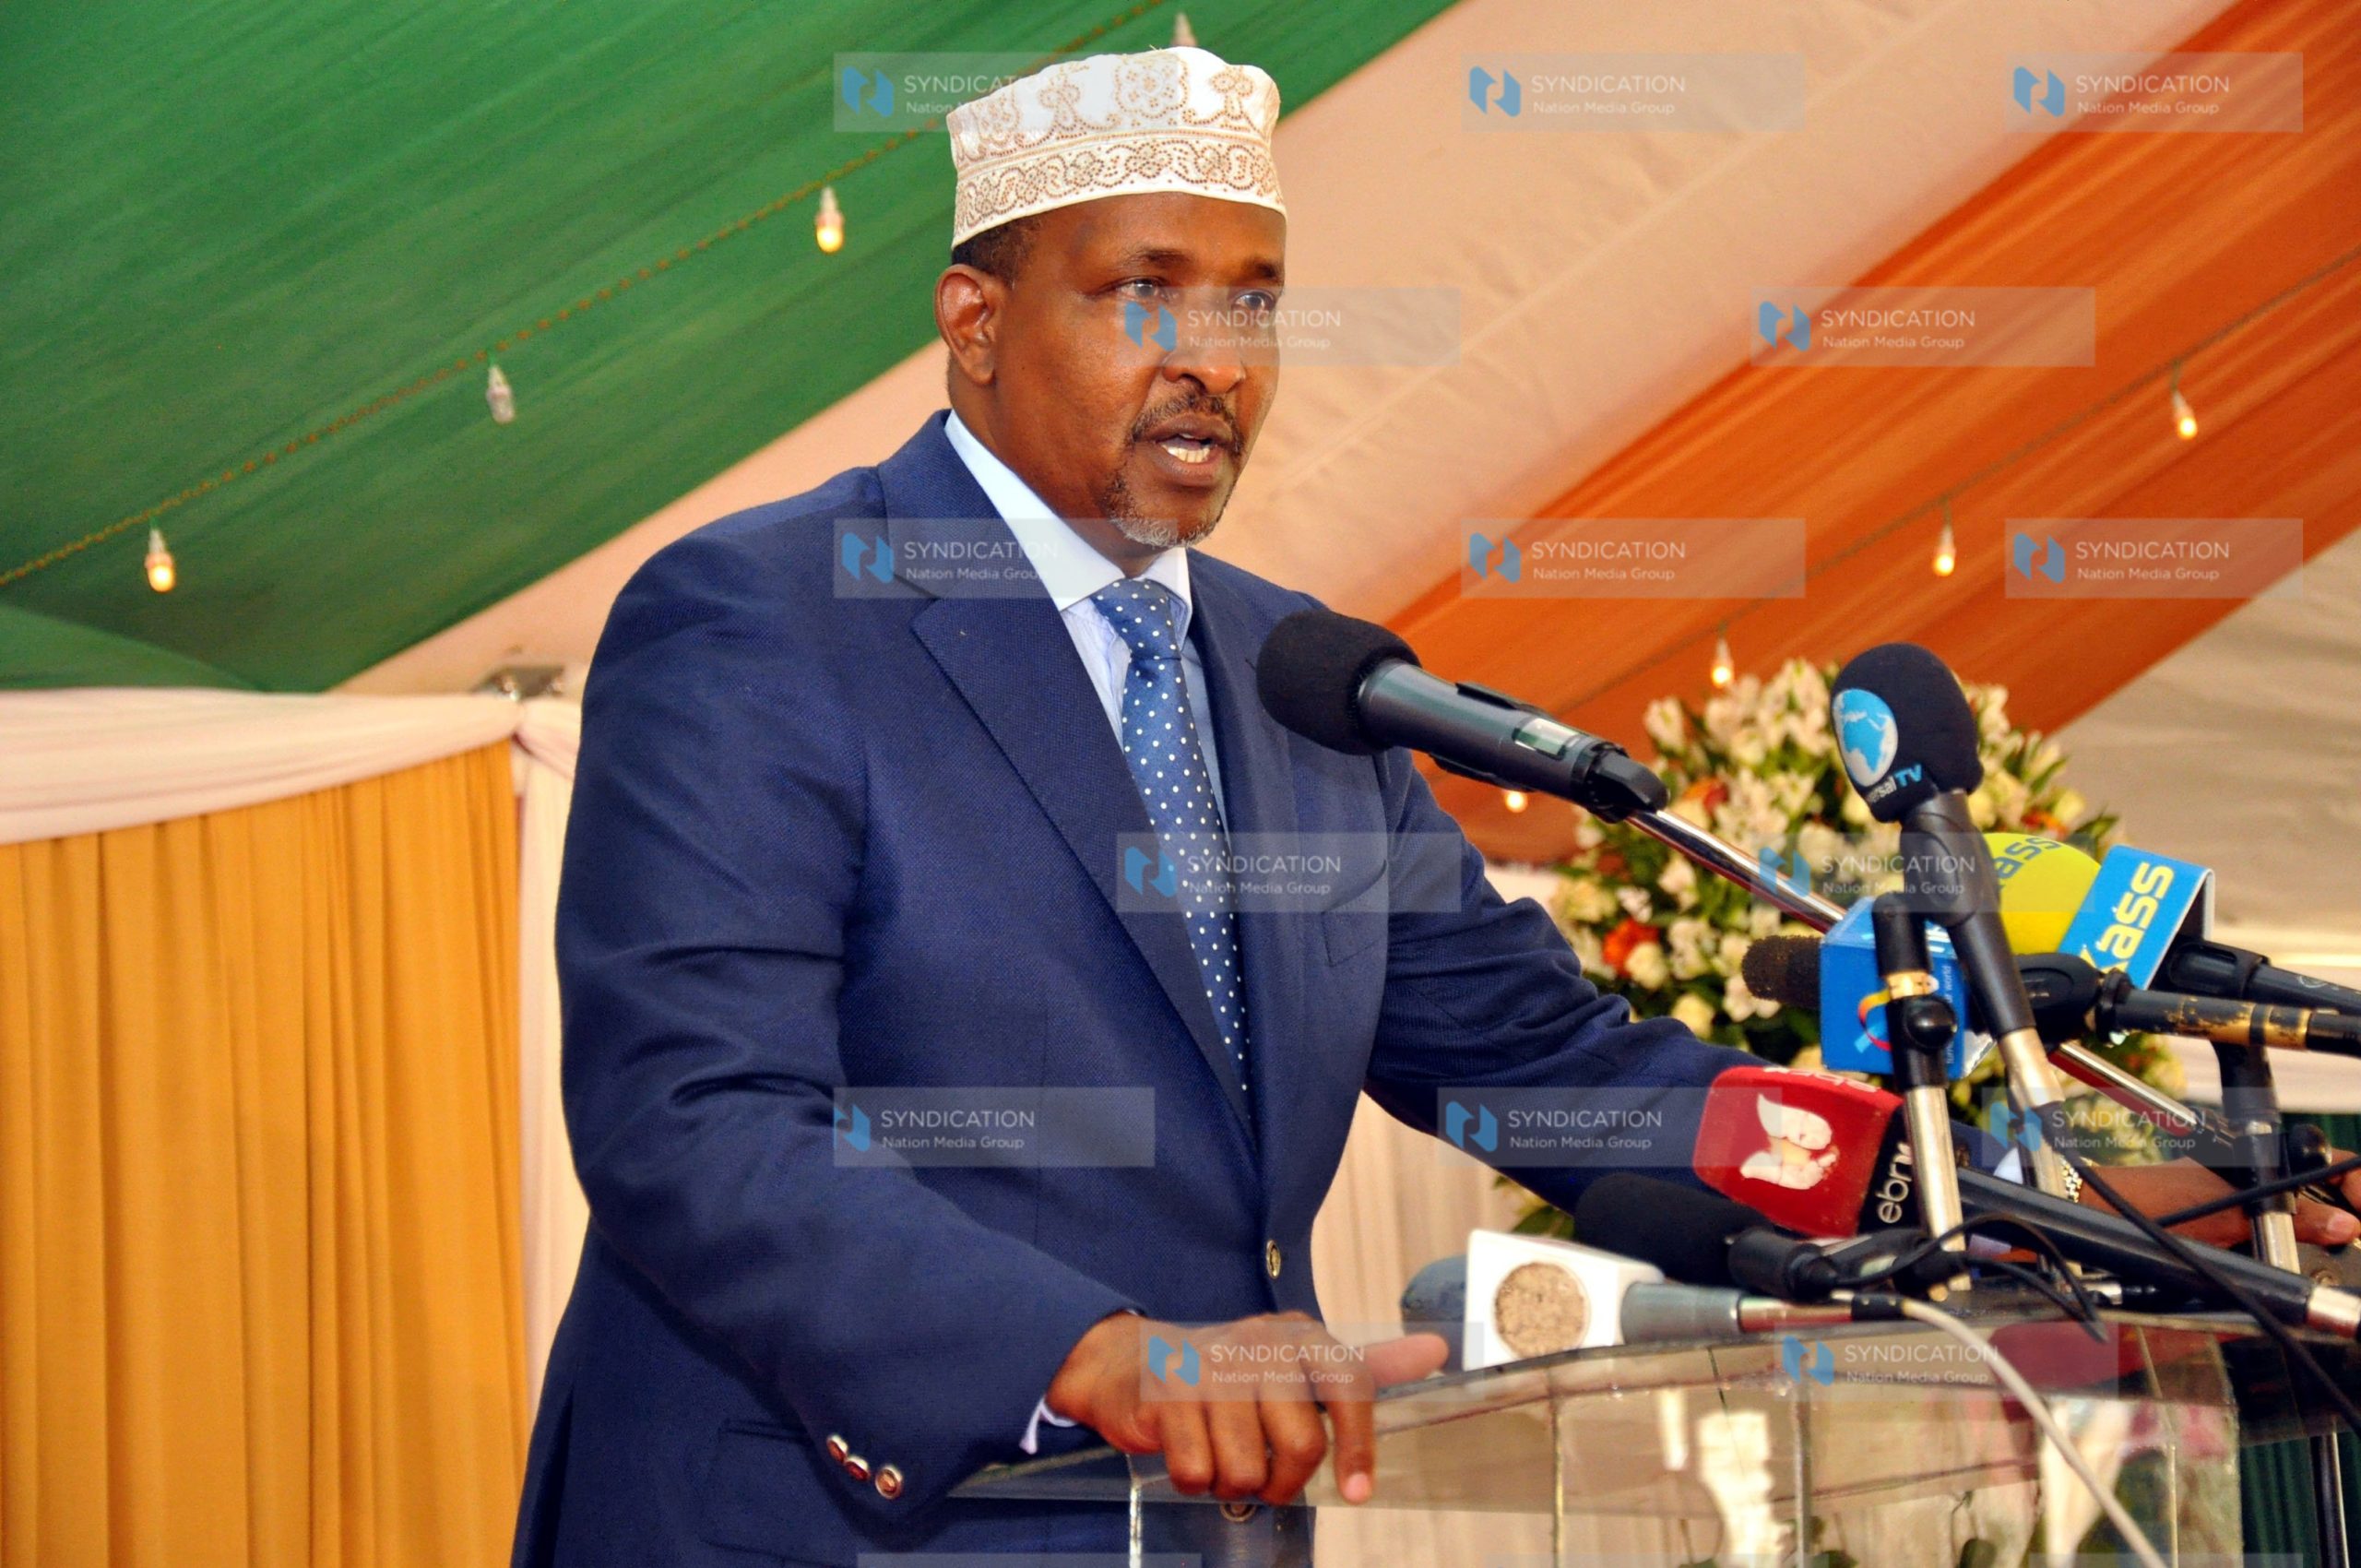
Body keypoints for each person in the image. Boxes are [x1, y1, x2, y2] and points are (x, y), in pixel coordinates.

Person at [512, 42, 2361, 1568]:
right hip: (818, 1527)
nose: (1211, 358)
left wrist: (2081, 1213)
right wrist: (1083, 1350)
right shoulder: (764, 615)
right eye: (1141, 291)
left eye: (1252, 302)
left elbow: (1548, 1064)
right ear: (974, 322)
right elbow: (694, 1122)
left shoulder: (1298, 677)